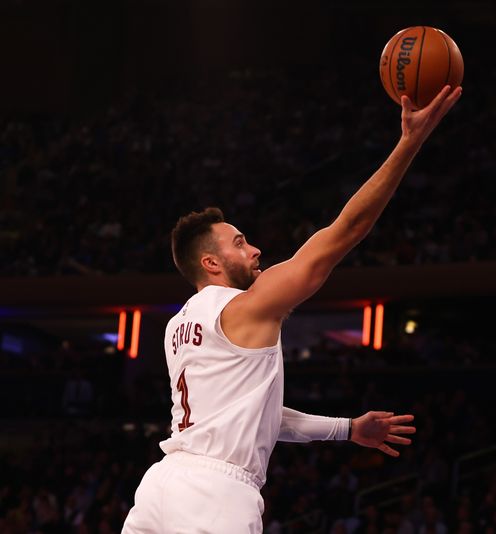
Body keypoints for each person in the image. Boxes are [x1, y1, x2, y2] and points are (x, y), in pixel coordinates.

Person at [121, 85, 462, 533]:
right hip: (215, 495)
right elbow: (346, 231)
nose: (256, 249)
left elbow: (259, 415)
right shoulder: (246, 307)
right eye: (241, 244)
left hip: (159, 488)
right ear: (212, 263)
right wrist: (410, 143)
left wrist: (347, 429)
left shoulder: (177, 326)